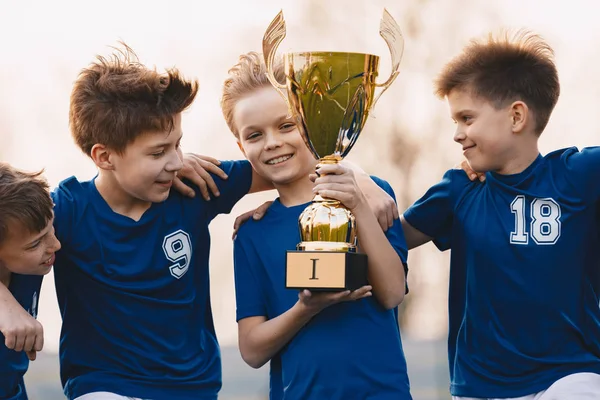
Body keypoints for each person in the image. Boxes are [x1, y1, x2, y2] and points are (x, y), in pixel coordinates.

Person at [0, 44, 400, 400]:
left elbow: (286, 167)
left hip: (194, 387)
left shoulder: (194, 187)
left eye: (178, 145)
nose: (176, 160)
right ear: (105, 157)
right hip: (104, 385)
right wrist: (8, 306)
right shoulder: (65, 210)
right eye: (158, 152)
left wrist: (357, 177)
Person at [400, 30, 600, 399]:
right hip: (481, 386)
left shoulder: (580, 176)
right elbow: (392, 240)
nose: (458, 134)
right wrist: (363, 191)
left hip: (571, 375)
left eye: (467, 118)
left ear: (516, 116)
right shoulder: (459, 189)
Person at [221, 51, 412, 399]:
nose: (273, 142)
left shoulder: (371, 195)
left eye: (286, 125)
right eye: (254, 135)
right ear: (240, 146)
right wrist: (307, 308)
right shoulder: (251, 232)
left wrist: (356, 201)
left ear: (311, 120)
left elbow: (392, 293)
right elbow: (251, 350)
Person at [0, 163, 62, 400]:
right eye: (36, 244)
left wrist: (165, 168)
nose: (55, 245)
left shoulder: (32, 223)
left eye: (52, 228)